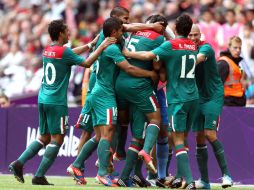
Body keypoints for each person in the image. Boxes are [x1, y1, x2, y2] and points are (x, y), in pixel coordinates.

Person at [8, 19, 115, 185]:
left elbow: (69, 53)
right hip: (56, 102)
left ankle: (19, 163)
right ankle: (38, 176)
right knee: (57, 139)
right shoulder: (64, 53)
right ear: (60, 34)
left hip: (43, 98)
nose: (69, 34)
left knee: (43, 136)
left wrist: (89, 45)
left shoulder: (48, 50)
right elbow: (86, 63)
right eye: (67, 31)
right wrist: (101, 46)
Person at [68, 5, 164, 185]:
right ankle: (103, 172)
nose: (126, 27)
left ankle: (77, 164)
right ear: (114, 27)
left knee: (99, 135)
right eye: (124, 22)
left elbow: (129, 29)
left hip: (97, 91)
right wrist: (150, 74)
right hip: (105, 93)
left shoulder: (109, 38)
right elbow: (127, 67)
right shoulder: (111, 45)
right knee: (107, 133)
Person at [123, 13, 198, 189]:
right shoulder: (193, 46)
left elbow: (151, 58)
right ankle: (176, 177)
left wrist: (127, 53)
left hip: (174, 97)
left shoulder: (168, 45)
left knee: (170, 136)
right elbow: (162, 69)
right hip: (191, 96)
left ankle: (184, 180)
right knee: (178, 138)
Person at [115, 14, 167, 187]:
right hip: (139, 86)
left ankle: (125, 176)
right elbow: (159, 68)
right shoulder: (160, 39)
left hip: (120, 83)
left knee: (137, 134)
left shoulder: (132, 33)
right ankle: (146, 152)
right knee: (155, 119)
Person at [188, 24, 233, 189]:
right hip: (197, 97)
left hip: (213, 96)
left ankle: (227, 175)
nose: (192, 38)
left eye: (195, 35)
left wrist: (179, 56)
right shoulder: (185, 48)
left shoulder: (206, 48)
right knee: (198, 137)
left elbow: (197, 59)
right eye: (190, 35)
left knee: (209, 134)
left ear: (200, 36)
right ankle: (204, 181)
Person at [217, 36, 246, 106]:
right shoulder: (224, 63)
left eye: (240, 48)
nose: (238, 50)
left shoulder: (235, 63)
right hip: (228, 103)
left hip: (237, 101)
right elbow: (217, 86)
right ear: (229, 47)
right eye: (235, 48)